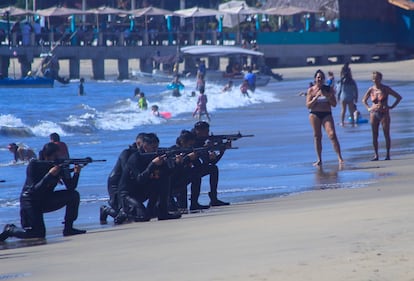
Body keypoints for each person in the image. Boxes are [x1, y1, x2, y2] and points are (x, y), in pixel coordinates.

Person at [0, 142, 86, 242]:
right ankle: (10, 229)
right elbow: (35, 190)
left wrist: (76, 173)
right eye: (55, 156)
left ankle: (68, 228)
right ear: (46, 155)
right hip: (30, 202)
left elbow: (71, 188)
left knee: (73, 195)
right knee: (38, 233)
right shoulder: (34, 165)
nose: (58, 158)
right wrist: (50, 175)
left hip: (45, 200)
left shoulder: (59, 167)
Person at [117, 133, 181, 221]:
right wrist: (152, 165)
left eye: (157, 147)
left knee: (164, 180)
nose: (155, 150)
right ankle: (124, 214)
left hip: (143, 190)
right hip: (128, 193)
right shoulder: (135, 158)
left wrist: (177, 163)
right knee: (143, 217)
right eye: (153, 148)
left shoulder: (154, 155)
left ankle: (163, 212)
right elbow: (140, 179)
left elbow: (168, 174)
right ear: (145, 146)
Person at [100, 133, 145, 224]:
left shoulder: (142, 154)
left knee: (132, 212)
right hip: (116, 184)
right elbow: (126, 171)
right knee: (123, 214)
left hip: (130, 183)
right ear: (139, 143)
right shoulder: (127, 153)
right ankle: (105, 210)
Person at [306, 69, 344, 166]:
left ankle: (340, 158)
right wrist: (315, 98)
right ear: (315, 79)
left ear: (324, 79)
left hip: (326, 113)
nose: (320, 79)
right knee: (317, 136)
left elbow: (334, 104)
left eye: (322, 77)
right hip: (314, 114)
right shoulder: (311, 90)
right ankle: (319, 159)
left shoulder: (329, 89)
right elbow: (308, 105)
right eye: (318, 77)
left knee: (332, 134)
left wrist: (328, 97)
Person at [362, 71, 402, 161]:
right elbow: (364, 100)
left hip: (384, 113)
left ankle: (388, 155)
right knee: (374, 135)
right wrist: (368, 108)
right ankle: (376, 155)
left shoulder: (386, 89)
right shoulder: (371, 89)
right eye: (374, 78)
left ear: (380, 79)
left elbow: (398, 97)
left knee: (386, 134)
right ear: (372, 79)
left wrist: (391, 106)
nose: (376, 80)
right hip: (374, 113)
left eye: (377, 78)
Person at [191, 121, 230, 208]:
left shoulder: (202, 141)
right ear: (198, 131)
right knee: (197, 175)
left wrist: (221, 151)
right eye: (206, 131)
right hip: (187, 170)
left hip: (196, 168)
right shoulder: (191, 140)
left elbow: (210, 163)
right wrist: (205, 147)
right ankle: (194, 202)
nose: (207, 134)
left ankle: (213, 198)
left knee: (213, 169)